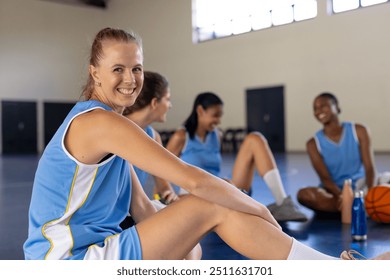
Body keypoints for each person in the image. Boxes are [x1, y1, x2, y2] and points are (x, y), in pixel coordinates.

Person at [23, 27, 389, 260]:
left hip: (94, 253)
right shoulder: (98, 121)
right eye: (118, 68)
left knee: (199, 228)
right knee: (205, 204)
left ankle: (327, 269)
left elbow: (141, 206)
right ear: (94, 72)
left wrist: (184, 243)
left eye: (136, 68)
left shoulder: (112, 125)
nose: (130, 79)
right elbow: (194, 181)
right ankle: (329, 270)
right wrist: (260, 210)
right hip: (67, 261)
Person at [166, 92, 308, 223]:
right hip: (194, 194)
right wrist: (165, 197)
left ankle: (282, 202)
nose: (219, 121)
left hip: (219, 190)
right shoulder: (181, 136)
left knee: (255, 138)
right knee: (224, 186)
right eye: (215, 115)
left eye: (220, 116)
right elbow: (161, 170)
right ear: (200, 111)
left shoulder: (217, 135)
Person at [122, 70, 202, 260]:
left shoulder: (153, 136)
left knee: (191, 243)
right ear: (155, 103)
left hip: (139, 210)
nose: (170, 105)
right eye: (168, 99)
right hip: (119, 217)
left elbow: (163, 184)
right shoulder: (120, 130)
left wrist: (170, 196)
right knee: (182, 243)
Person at [297, 92, 386, 215]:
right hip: (335, 191)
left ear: (337, 107)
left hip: (363, 185)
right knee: (304, 195)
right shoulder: (313, 144)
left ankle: (360, 206)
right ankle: (355, 206)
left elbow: (370, 168)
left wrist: (371, 195)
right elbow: (326, 179)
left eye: (323, 106)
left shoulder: (359, 130)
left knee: (386, 183)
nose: (319, 111)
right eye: (315, 109)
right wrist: (343, 196)